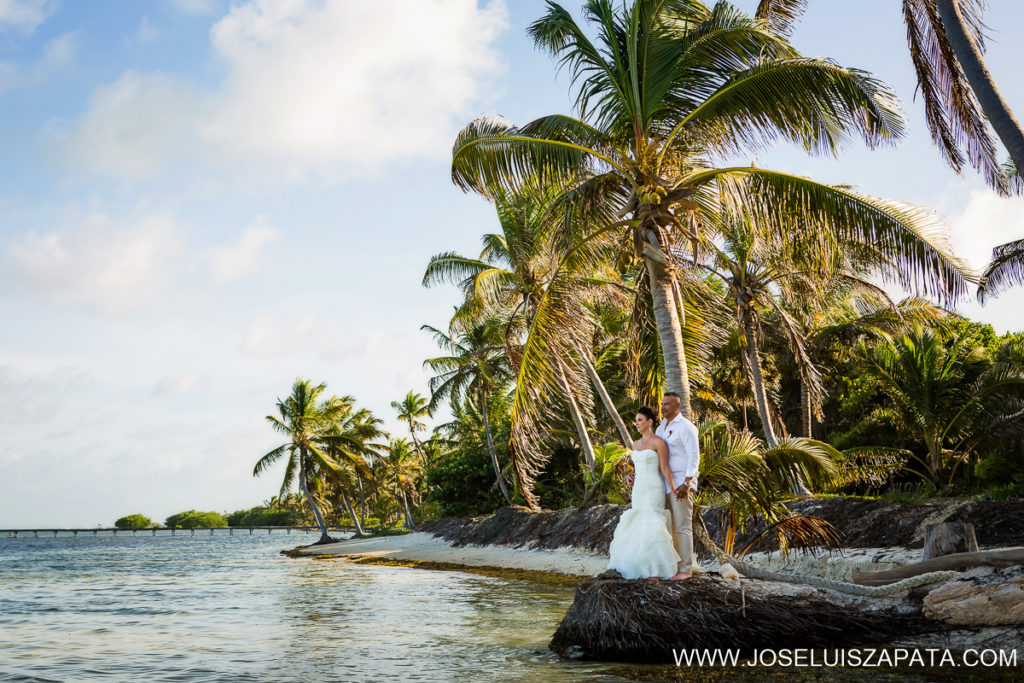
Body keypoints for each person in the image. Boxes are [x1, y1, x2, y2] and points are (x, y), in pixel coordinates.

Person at [606, 407, 681, 579]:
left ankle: (655, 570)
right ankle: (640, 567)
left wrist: (674, 488)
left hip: (654, 487)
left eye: (640, 419)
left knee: (652, 522)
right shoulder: (635, 444)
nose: (637, 423)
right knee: (638, 522)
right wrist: (631, 478)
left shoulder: (658, 443)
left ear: (649, 422)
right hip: (639, 489)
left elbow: (664, 467)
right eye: (636, 420)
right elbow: (637, 468)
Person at [656, 392, 700, 580]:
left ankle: (685, 570)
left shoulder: (686, 427)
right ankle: (672, 567)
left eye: (667, 404)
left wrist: (687, 483)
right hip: (663, 485)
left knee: (682, 526)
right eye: (662, 404)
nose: (663, 407)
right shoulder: (660, 429)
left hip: (681, 485)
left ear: (677, 407)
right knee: (668, 527)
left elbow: (694, 456)